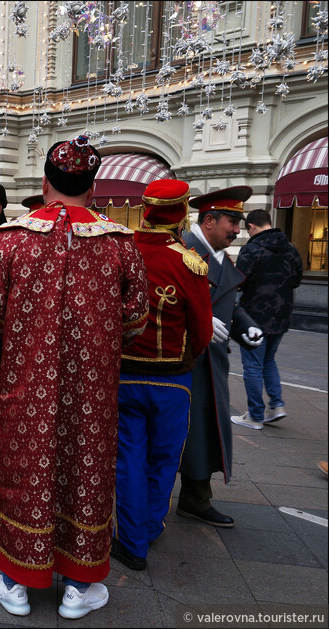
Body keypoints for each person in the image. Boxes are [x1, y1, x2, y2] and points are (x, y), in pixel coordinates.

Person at [0, 135, 148, 619]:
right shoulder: (120, 244)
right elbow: (137, 320)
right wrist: (100, 349)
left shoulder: (10, 239)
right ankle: (77, 587)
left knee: (24, 475)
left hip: (25, 388)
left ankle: (17, 583)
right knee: (86, 475)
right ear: (93, 187)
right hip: (93, 390)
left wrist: (17, 352)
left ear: (46, 183)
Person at [112, 179, 214, 572]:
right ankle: (149, 528)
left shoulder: (122, 251)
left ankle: (134, 541)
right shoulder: (188, 261)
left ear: (146, 208)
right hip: (172, 378)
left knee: (129, 459)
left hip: (123, 376)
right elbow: (202, 331)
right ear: (182, 211)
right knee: (163, 459)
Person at [177, 188, 264, 528]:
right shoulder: (183, 250)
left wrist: (246, 326)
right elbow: (159, 302)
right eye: (232, 222)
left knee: (205, 433)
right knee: (180, 436)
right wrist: (197, 321)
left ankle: (196, 498)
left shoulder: (214, 254)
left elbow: (230, 303)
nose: (237, 230)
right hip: (182, 363)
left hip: (209, 365)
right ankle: (148, 507)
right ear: (209, 220)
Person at [230, 210, 303, 429]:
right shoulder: (291, 249)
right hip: (281, 314)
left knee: (252, 365)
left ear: (251, 226)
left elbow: (239, 281)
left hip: (254, 315)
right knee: (268, 360)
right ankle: (277, 405)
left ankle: (255, 416)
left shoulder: (251, 249)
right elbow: (297, 280)